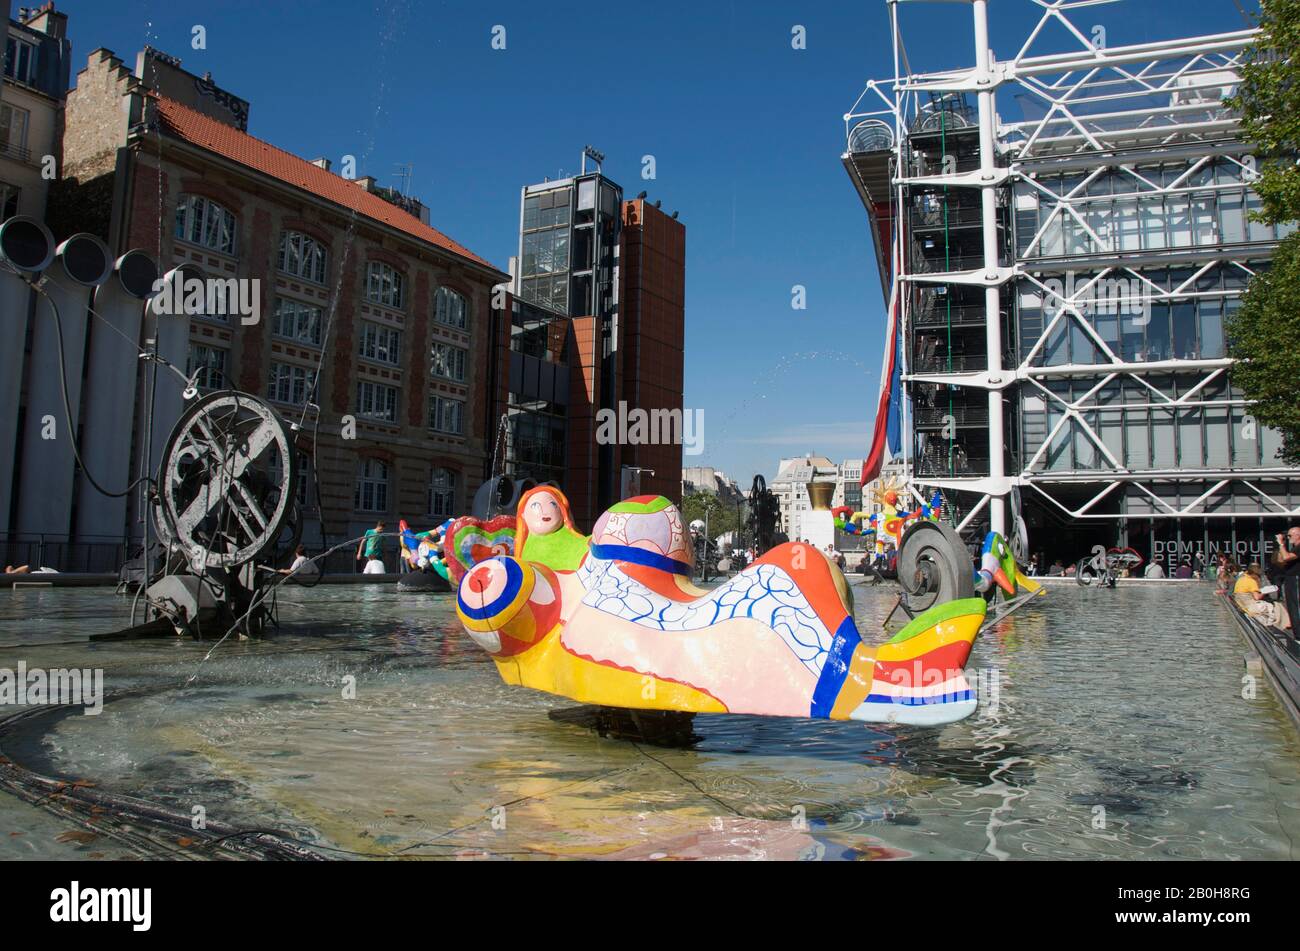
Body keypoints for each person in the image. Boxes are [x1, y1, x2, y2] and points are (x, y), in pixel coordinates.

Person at [1234, 563, 1291, 631]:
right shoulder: (1252, 581)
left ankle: (1286, 623)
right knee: (1278, 606)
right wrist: (1264, 591)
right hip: (1250, 607)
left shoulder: (1242, 579)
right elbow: (1257, 597)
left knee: (1274, 605)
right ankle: (1286, 624)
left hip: (1242, 605)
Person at [1276, 527, 1300, 634]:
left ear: (1298, 535)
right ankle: (1297, 632)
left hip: (1296, 578)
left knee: (1296, 604)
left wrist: (1281, 544)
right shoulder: (1294, 548)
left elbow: (1286, 558)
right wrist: (1282, 546)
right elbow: (1280, 560)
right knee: (1291, 605)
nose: (1288, 538)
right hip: (1290, 578)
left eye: (1290, 536)